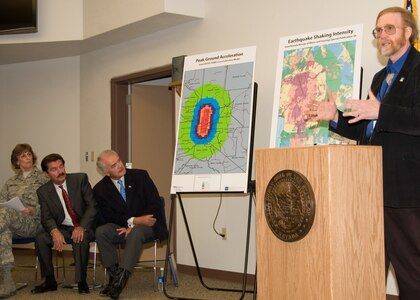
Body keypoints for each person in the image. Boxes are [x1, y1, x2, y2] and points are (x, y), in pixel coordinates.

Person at [305, 7, 420, 299]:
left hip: (406, 191)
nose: (382, 35)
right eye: (378, 30)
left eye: (389, 29)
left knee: (412, 273)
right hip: (371, 190)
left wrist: (382, 111)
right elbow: (367, 132)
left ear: (408, 32)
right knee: (368, 267)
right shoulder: (380, 78)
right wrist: (334, 118)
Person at [93, 149, 168, 300]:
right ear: (107, 172)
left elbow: (154, 203)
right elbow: (108, 216)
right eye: (114, 165)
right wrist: (132, 221)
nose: (120, 165)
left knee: (136, 232)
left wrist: (134, 224)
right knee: (101, 231)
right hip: (120, 225)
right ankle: (115, 278)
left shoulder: (140, 176)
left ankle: (119, 282)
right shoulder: (100, 189)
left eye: (119, 161)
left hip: (149, 224)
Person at [31, 153, 97, 295]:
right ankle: (49, 281)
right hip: (63, 228)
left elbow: (92, 206)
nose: (60, 171)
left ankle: (81, 281)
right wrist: (54, 230)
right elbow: (46, 217)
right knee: (41, 238)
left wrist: (81, 226)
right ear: (46, 174)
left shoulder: (80, 179)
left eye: (61, 166)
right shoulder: (43, 191)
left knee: (79, 237)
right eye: (54, 169)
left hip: (84, 225)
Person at [0, 144, 49, 298]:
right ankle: (7, 282)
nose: (27, 157)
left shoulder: (43, 178)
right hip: (10, 223)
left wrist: (33, 210)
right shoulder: (10, 181)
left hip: (33, 222)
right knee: (4, 232)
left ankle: (7, 283)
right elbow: (1, 201)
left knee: (6, 214)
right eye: (23, 156)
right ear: (17, 161)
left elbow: (51, 203)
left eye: (28, 154)